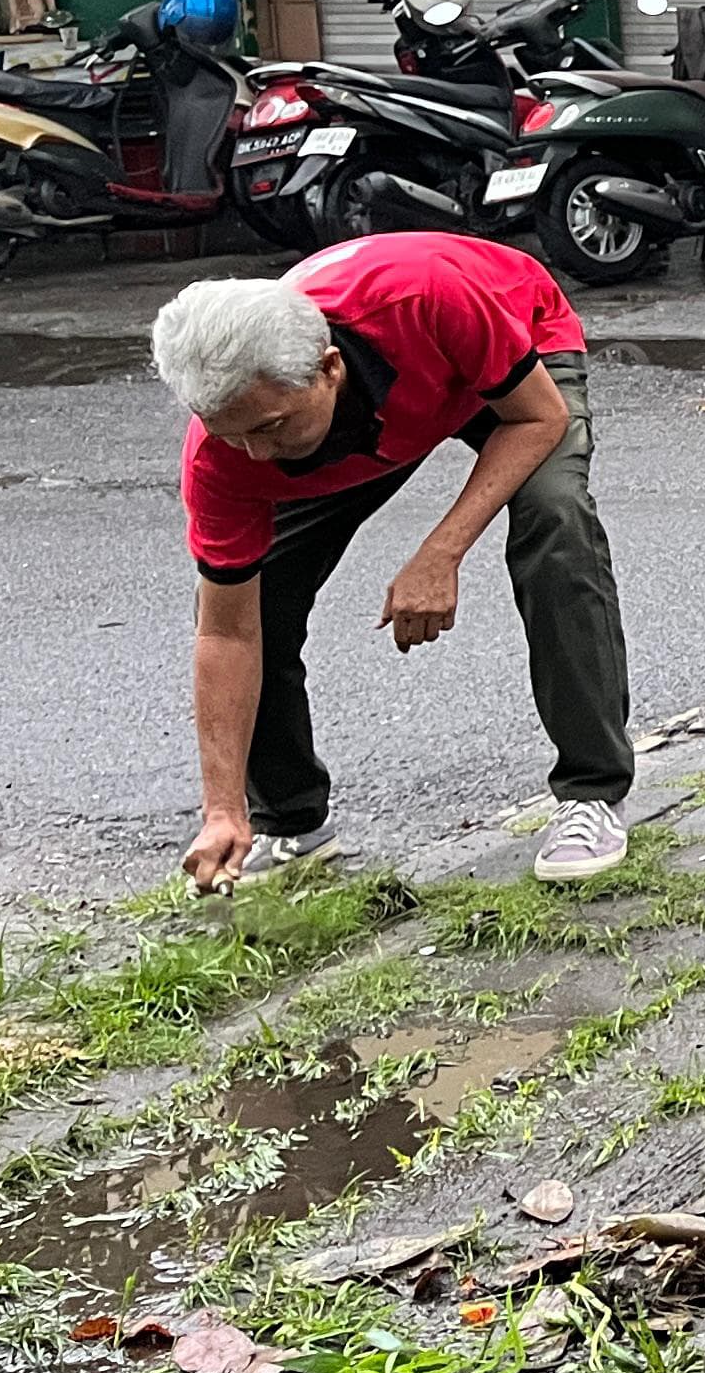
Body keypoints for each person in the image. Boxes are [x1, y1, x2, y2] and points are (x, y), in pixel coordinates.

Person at [151, 236, 635, 890]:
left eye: (267, 428)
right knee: (258, 596)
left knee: (556, 520)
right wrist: (219, 806)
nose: (252, 454)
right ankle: (286, 823)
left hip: (510, 370)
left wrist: (441, 552)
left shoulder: (429, 297)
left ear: (328, 369)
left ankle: (592, 795)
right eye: (225, 430)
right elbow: (225, 633)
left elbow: (537, 416)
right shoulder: (228, 449)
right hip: (377, 414)